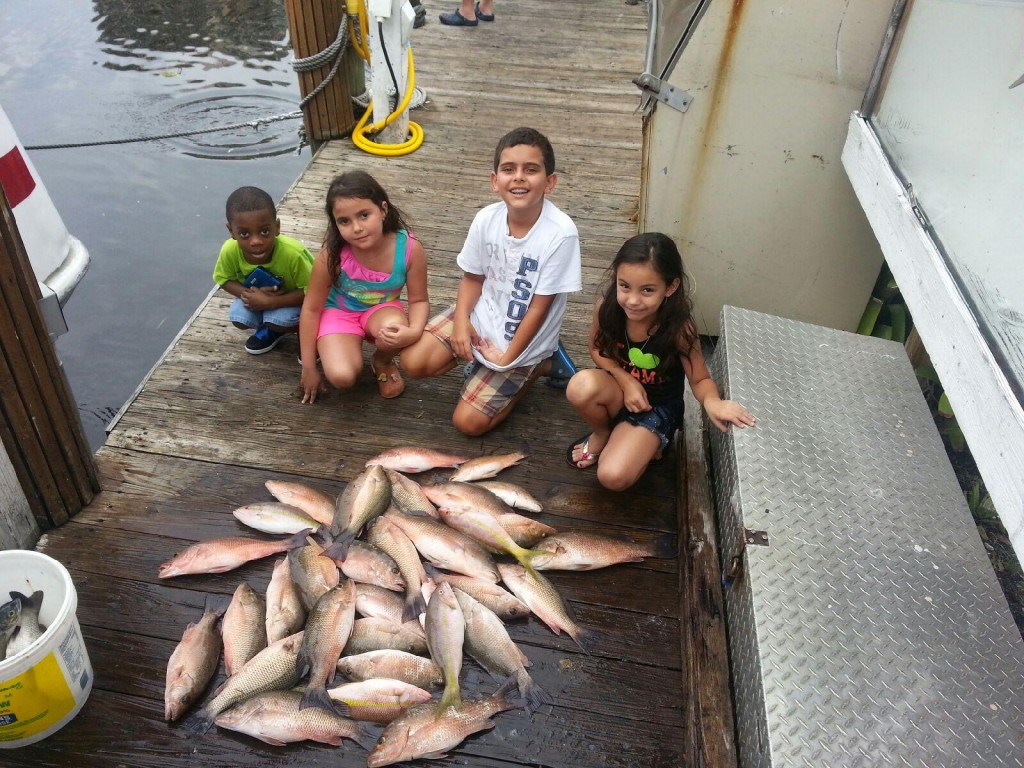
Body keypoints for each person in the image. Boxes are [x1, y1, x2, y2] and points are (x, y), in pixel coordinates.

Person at [400, 126, 581, 436]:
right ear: (495, 181)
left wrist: (509, 359)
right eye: (509, 169)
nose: (519, 177)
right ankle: (483, 368)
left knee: (467, 424)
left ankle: (539, 365)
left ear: (550, 182)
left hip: (523, 339)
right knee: (412, 362)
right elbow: (472, 278)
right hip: (483, 316)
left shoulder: (561, 234)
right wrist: (460, 323)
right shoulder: (486, 219)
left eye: (532, 170)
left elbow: (539, 308)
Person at [564, 232, 756, 491]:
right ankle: (603, 433)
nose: (632, 300)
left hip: (656, 408)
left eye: (647, 290)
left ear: (671, 287)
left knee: (612, 477)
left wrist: (713, 401)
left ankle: (652, 441)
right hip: (618, 392)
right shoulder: (607, 308)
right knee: (580, 385)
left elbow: (699, 378)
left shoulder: (677, 328)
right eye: (624, 286)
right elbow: (597, 349)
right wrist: (626, 380)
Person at [299, 170, 428, 403]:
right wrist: (308, 367)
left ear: (383, 209)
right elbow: (311, 309)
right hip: (339, 312)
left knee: (394, 329)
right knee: (342, 377)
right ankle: (337, 348)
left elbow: (419, 300)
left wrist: (414, 331)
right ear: (335, 224)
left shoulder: (409, 248)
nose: (356, 228)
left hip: (381, 310)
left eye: (364, 215)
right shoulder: (331, 257)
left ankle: (382, 361)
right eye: (344, 221)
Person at [213, 186, 314, 355]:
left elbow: (314, 291)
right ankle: (272, 330)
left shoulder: (293, 254)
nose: (256, 241)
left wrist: (272, 302)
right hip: (264, 298)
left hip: (301, 302)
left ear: (277, 227)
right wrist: (252, 295)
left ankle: (307, 333)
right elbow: (223, 279)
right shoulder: (229, 250)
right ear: (231, 231)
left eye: (265, 231)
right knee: (239, 316)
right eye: (244, 234)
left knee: (281, 319)